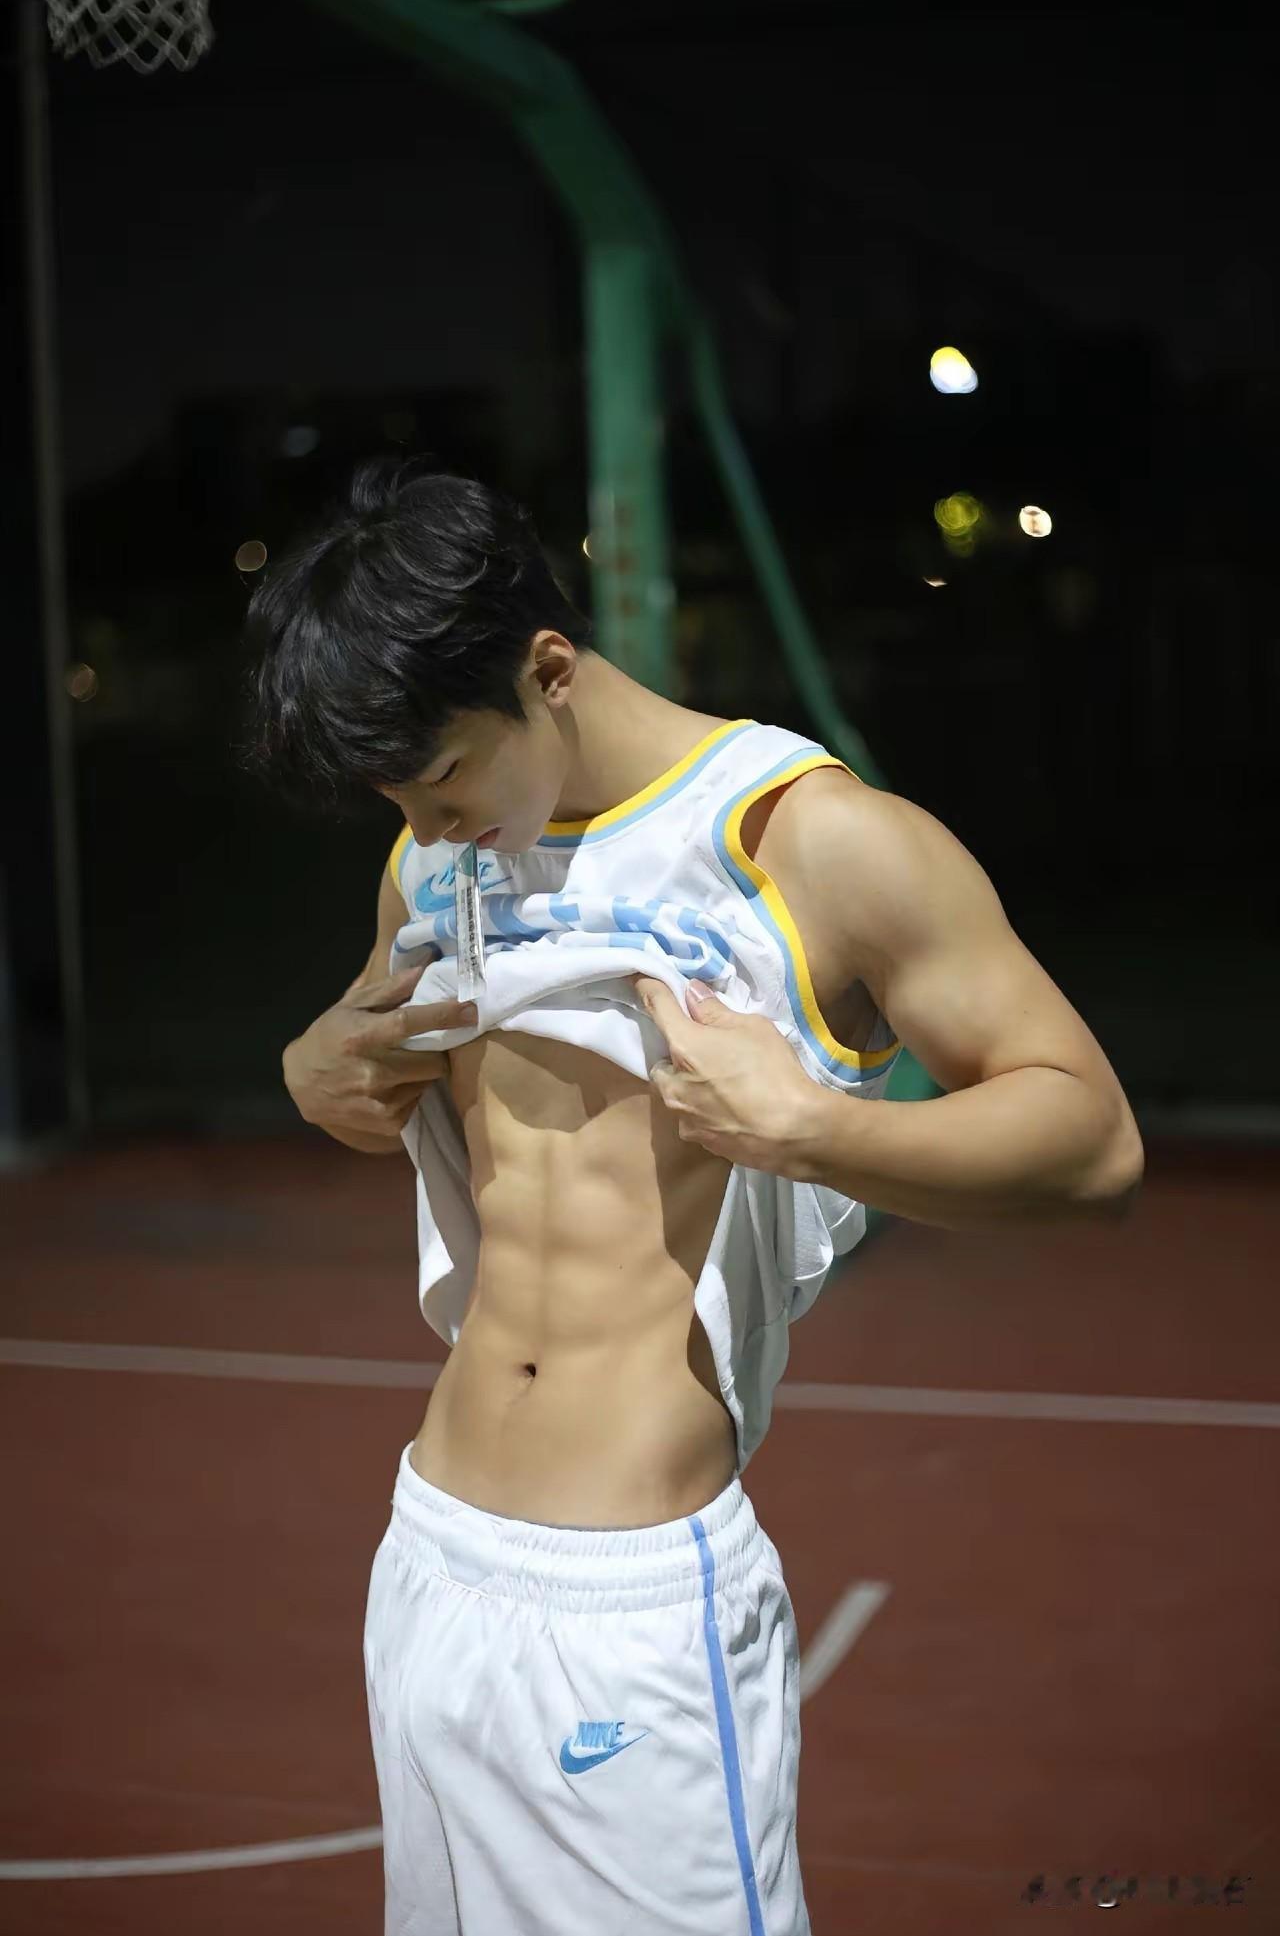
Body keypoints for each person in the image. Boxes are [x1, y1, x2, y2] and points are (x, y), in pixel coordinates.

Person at [244, 458, 1143, 1936]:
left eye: (445, 778)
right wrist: (310, 1069)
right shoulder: (435, 863)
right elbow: (363, 1054)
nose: (426, 824)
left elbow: (1094, 1145)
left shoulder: (812, 841)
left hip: (634, 1602)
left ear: (549, 671)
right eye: (395, 799)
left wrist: (810, 1128)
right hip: (431, 1556)